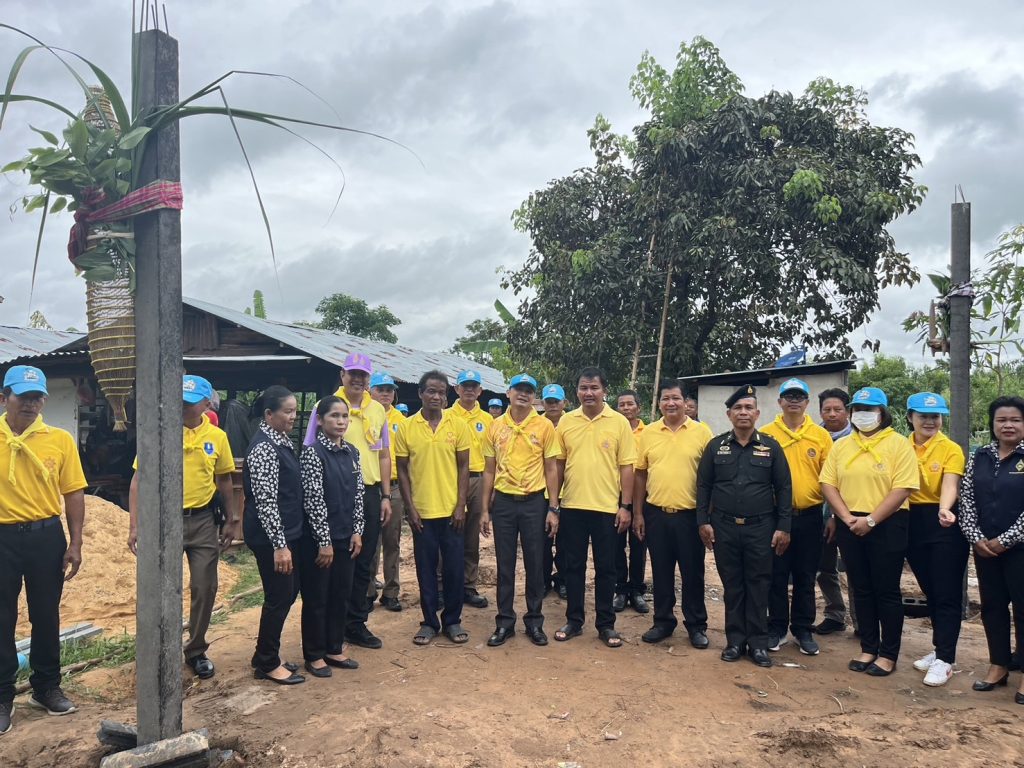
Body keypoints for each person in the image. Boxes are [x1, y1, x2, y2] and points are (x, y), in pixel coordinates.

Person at [128, 375, 238, 681]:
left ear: (206, 405)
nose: (183, 408)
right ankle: (159, 650)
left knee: (204, 586)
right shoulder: (159, 432)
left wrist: (232, 520)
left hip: (203, 521)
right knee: (162, 588)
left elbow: (224, 479)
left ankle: (196, 650)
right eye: (179, 402)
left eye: (190, 403)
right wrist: (135, 525)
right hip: (165, 522)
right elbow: (138, 480)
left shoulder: (217, 437)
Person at [0, 366, 86, 733]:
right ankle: (2, 696)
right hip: (2, 538)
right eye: (23, 397)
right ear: (4, 398)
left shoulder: (59, 440)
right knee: (2, 617)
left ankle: (46, 687)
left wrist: (76, 542)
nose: (31, 404)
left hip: (46, 537)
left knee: (46, 615)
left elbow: (74, 492)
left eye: (37, 398)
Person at [820, 387, 918, 677]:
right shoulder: (842, 445)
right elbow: (828, 483)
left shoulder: (899, 444)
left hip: (888, 523)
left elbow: (903, 487)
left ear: (882, 413)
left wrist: (872, 520)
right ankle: (868, 647)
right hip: (850, 523)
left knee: (886, 590)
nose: (862, 414)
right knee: (860, 587)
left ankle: (888, 654)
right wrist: (846, 517)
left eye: (869, 409)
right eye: (858, 409)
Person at [697, 386, 792, 668]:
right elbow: (703, 486)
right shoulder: (716, 446)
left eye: (748, 408)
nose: (743, 413)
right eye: (738, 408)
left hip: (761, 528)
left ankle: (758, 644)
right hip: (724, 527)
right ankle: (735, 641)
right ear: (729, 414)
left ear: (757, 414)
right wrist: (703, 521)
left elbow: (784, 488)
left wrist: (783, 526)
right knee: (733, 586)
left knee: (759, 585)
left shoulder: (771, 447)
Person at [305, 352, 392, 650]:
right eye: (352, 373)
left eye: (363, 374)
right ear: (342, 375)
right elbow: (309, 446)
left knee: (364, 561)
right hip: (332, 494)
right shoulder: (327, 406)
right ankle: (329, 625)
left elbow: (383, 454)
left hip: (367, 493)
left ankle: (355, 623)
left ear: (369, 379)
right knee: (333, 560)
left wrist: (385, 495)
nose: (357, 379)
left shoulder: (378, 410)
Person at [554, 367, 635, 648]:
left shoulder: (619, 423)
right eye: (583, 388)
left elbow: (627, 467)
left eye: (594, 388)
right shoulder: (566, 421)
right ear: (576, 391)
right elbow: (559, 465)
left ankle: (606, 624)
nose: (589, 393)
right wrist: (554, 505)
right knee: (573, 566)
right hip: (572, 506)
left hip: (607, 509)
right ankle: (574, 620)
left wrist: (625, 506)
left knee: (606, 568)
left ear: (605, 391)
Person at [481, 374, 561, 647]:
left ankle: (534, 622)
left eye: (529, 390)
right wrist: (484, 510)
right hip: (504, 503)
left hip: (534, 503)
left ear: (534, 396)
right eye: (519, 389)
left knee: (535, 564)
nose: (523, 394)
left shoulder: (544, 426)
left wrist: (553, 508)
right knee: (505, 565)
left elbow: (551, 469)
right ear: (509, 393)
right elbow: (489, 470)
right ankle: (504, 622)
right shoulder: (495, 426)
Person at [633, 380, 714, 648]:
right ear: (659, 403)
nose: (671, 403)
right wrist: (638, 513)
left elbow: (711, 477)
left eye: (676, 398)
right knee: (661, 571)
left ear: (685, 402)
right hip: (656, 514)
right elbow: (640, 474)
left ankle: (696, 625)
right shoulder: (649, 433)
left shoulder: (702, 432)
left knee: (693, 573)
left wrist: (707, 517)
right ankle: (663, 622)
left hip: (690, 516)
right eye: (665, 398)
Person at [395, 370, 472, 646]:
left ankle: (452, 621)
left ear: (446, 396)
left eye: (441, 392)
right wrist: (410, 508)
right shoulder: (406, 427)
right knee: (425, 570)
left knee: (454, 569)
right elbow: (402, 470)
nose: (436, 396)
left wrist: (461, 505)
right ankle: (429, 622)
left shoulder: (458, 425)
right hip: (422, 514)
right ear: (420, 393)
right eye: (431, 391)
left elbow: (464, 466)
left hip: (452, 513)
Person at [959, 395, 1024, 704]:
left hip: (1020, 548)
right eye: (1002, 420)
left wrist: (1006, 540)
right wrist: (976, 537)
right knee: (992, 607)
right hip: (985, 548)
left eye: (1015, 420)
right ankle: (998, 665)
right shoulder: (980, 456)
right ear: (993, 423)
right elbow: (967, 499)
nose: (1008, 425)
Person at [761, 378, 832, 657]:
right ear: (780, 401)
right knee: (776, 575)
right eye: (788, 396)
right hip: (774, 517)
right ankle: (776, 627)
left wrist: (832, 515)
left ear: (807, 402)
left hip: (810, 516)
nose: (793, 401)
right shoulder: (766, 434)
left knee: (805, 575)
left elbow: (830, 480)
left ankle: (803, 629)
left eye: (799, 396)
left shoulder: (820, 436)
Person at [298, 396, 365, 678]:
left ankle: (334, 648)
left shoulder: (352, 452)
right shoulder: (313, 454)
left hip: (346, 536)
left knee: (341, 593)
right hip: (319, 541)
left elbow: (358, 494)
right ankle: (314, 654)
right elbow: (314, 501)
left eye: (344, 416)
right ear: (320, 420)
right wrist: (324, 542)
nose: (340, 421)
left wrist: (358, 530)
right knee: (318, 597)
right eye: (334, 416)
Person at [903, 392, 966, 687]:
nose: (930, 421)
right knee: (930, 589)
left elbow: (950, 483)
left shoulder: (950, 449)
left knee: (946, 591)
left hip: (943, 520)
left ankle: (946, 659)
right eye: (923, 416)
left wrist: (945, 508)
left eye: (935, 416)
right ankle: (940, 648)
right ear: (910, 418)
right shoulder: (901, 447)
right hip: (910, 519)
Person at [244, 386, 305, 685]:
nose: (293, 416)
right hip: (270, 536)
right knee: (279, 595)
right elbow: (266, 501)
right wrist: (279, 546)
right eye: (288, 411)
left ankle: (264, 654)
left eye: (295, 411)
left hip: (286, 531)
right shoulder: (264, 449)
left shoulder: (280, 440)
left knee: (287, 592)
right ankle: (267, 663)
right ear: (269, 414)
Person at [446, 371, 493, 609]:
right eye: (465, 386)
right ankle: (444, 586)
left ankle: (468, 585)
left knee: (472, 536)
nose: (469, 390)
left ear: (480, 391)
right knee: (449, 533)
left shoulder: (488, 419)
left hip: (479, 479)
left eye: (474, 386)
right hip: (451, 480)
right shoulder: (446, 416)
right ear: (456, 389)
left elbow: (494, 456)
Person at [814, 387, 857, 636]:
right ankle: (835, 614)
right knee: (824, 567)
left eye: (837, 409)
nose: (832, 414)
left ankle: (862, 621)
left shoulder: (858, 438)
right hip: (818, 514)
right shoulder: (815, 436)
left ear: (847, 411)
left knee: (856, 568)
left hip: (854, 514)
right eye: (827, 409)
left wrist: (834, 515)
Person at [369, 372, 404, 612]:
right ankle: (368, 590)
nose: (385, 393)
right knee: (371, 541)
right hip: (372, 487)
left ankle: (391, 592)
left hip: (394, 486)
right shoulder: (366, 415)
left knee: (393, 541)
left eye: (389, 390)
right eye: (380, 389)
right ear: (370, 391)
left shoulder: (401, 420)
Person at [613, 390, 649, 614]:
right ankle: (620, 589)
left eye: (630, 404)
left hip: (642, 496)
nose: (626, 408)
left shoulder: (649, 433)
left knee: (639, 542)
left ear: (639, 407)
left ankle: (636, 590)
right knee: (616, 544)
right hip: (615, 495)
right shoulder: (613, 429)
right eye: (622, 404)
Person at [541, 383, 568, 599]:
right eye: (549, 402)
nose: (553, 405)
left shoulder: (573, 423)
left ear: (564, 402)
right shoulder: (536, 424)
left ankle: (563, 580)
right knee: (542, 541)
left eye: (556, 401)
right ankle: (543, 580)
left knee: (566, 542)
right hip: (542, 492)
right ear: (542, 403)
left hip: (569, 491)